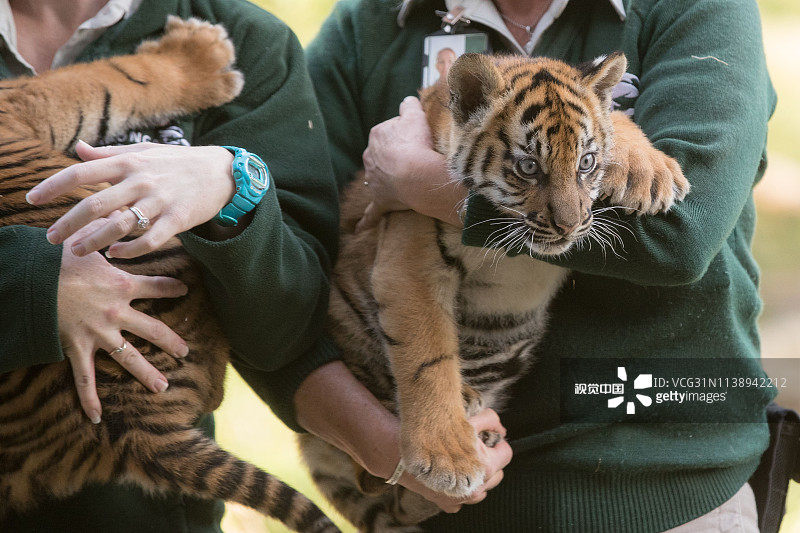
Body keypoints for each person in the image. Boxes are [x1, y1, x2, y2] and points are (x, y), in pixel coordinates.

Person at [267, 0, 777, 531]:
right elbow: (270, 267)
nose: (568, 217)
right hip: (440, 505)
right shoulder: (370, 24)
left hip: (667, 493)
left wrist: (426, 187)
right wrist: (375, 437)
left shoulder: (695, 9)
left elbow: (684, 232)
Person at [0, 0, 339, 531]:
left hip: (147, 507)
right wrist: (32, 287)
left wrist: (233, 185)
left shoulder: (242, 36)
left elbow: (287, 332)